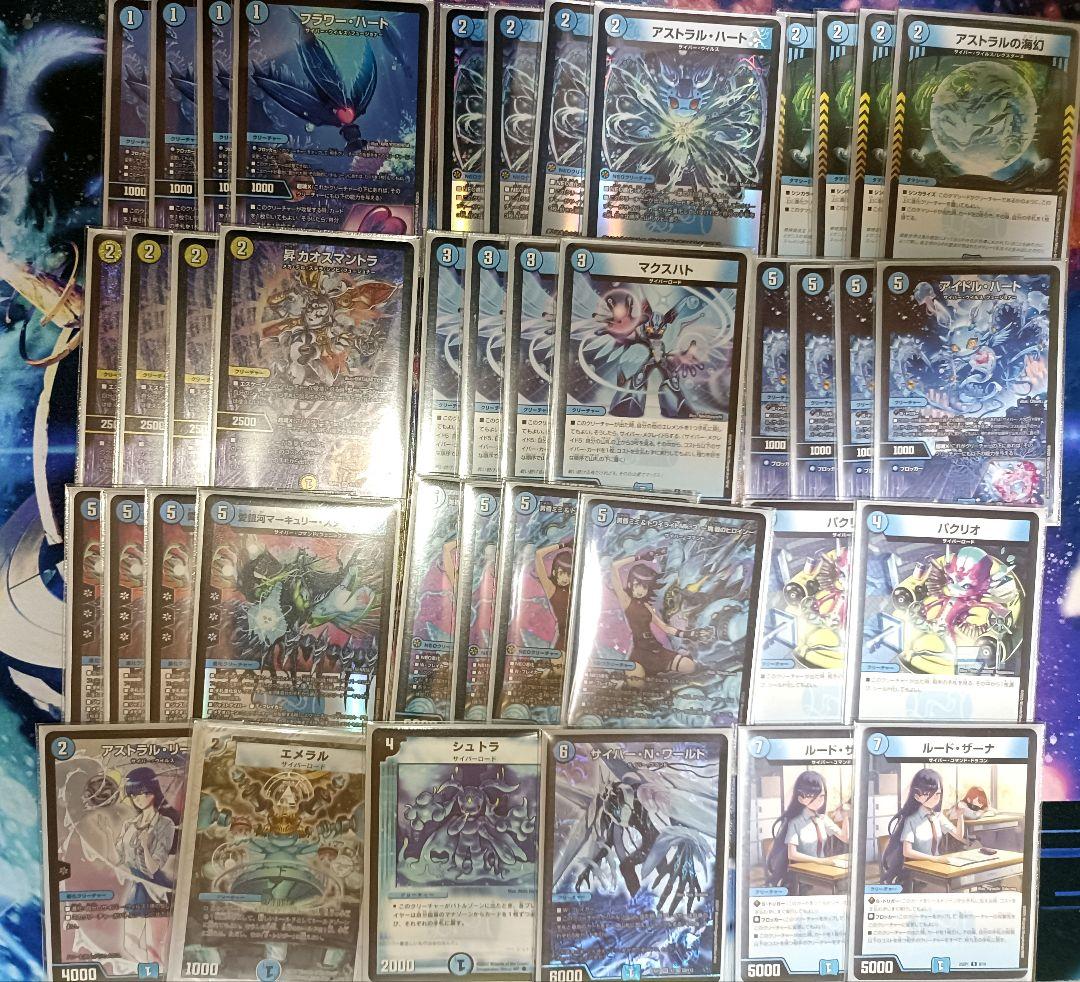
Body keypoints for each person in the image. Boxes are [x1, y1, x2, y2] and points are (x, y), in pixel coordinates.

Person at [610, 550, 712, 685]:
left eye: (644, 586)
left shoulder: (646, 606)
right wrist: (639, 557)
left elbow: (665, 627)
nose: (640, 590)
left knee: (690, 666)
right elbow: (614, 566)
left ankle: (660, 678)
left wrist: (690, 634)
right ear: (630, 584)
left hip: (657, 651)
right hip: (640, 655)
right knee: (637, 685)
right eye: (637, 585)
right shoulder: (626, 601)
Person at [879, 768, 967, 889]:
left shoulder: (937, 816)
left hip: (936, 868)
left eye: (938, 794)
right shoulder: (911, 820)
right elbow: (907, 852)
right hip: (916, 872)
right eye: (928, 794)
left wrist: (960, 816)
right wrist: (934, 859)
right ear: (917, 796)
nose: (934, 798)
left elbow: (959, 836)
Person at [765, 770, 849, 892]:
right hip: (800, 876)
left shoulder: (822, 819)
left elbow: (845, 838)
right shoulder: (795, 822)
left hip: (821, 872)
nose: (819, 800)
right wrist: (820, 861)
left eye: (821, 796)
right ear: (800, 798)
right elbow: (792, 854)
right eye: (812, 796)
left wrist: (845, 816)